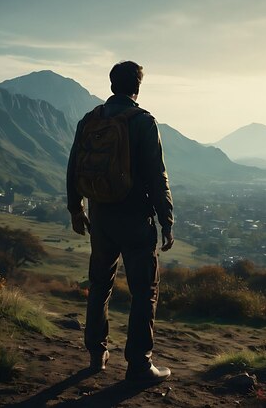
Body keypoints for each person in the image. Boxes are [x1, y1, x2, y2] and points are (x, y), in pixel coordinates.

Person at [66, 61, 174, 383]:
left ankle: (97, 355)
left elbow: (74, 166)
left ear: (112, 85)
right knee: (144, 291)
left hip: (100, 217)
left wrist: (76, 209)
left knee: (100, 284)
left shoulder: (90, 120)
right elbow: (157, 176)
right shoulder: (143, 122)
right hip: (136, 220)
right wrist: (166, 219)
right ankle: (139, 365)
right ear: (137, 87)